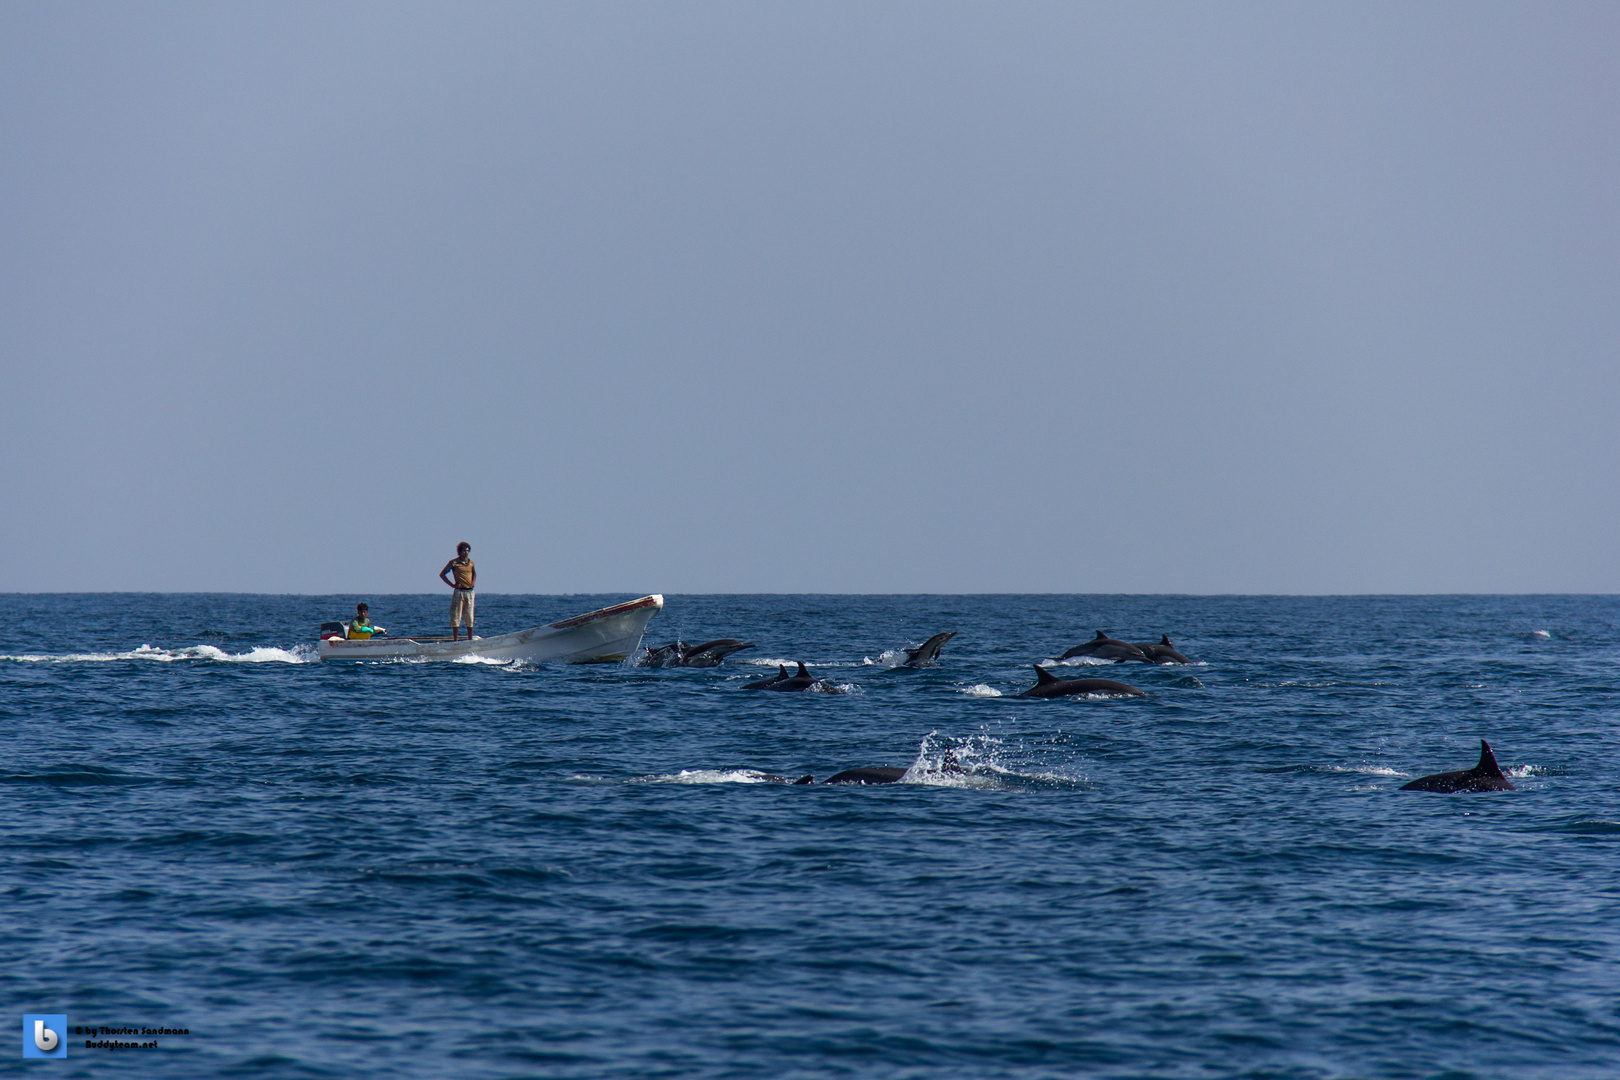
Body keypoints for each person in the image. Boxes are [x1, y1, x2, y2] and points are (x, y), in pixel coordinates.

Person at [439, 541, 476, 640]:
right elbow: (442, 574)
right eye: (464, 551)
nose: (466, 553)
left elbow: (474, 573)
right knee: (456, 615)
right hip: (459, 591)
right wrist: (452, 585)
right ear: (460, 552)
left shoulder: (470, 562)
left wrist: (473, 582)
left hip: (469, 591)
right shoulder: (454, 563)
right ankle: (455, 640)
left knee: (469, 616)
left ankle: (470, 639)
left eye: (467, 551)